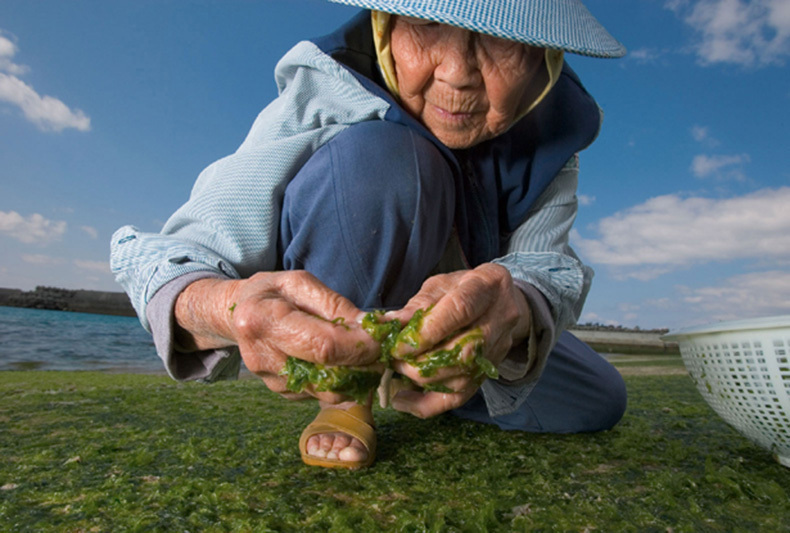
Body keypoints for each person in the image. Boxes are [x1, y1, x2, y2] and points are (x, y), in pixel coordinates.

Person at [111, 0, 628, 469]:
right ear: (385, 26)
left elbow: (543, 262)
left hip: (458, 329)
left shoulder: (554, 132)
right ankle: (347, 396)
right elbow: (180, 254)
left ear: (545, 59)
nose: (457, 74)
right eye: (426, 25)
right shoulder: (325, 90)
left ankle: (428, 378)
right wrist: (225, 305)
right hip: (346, 302)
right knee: (387, 161)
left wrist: (515, 310)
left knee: (598, 399)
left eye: (502, 41)